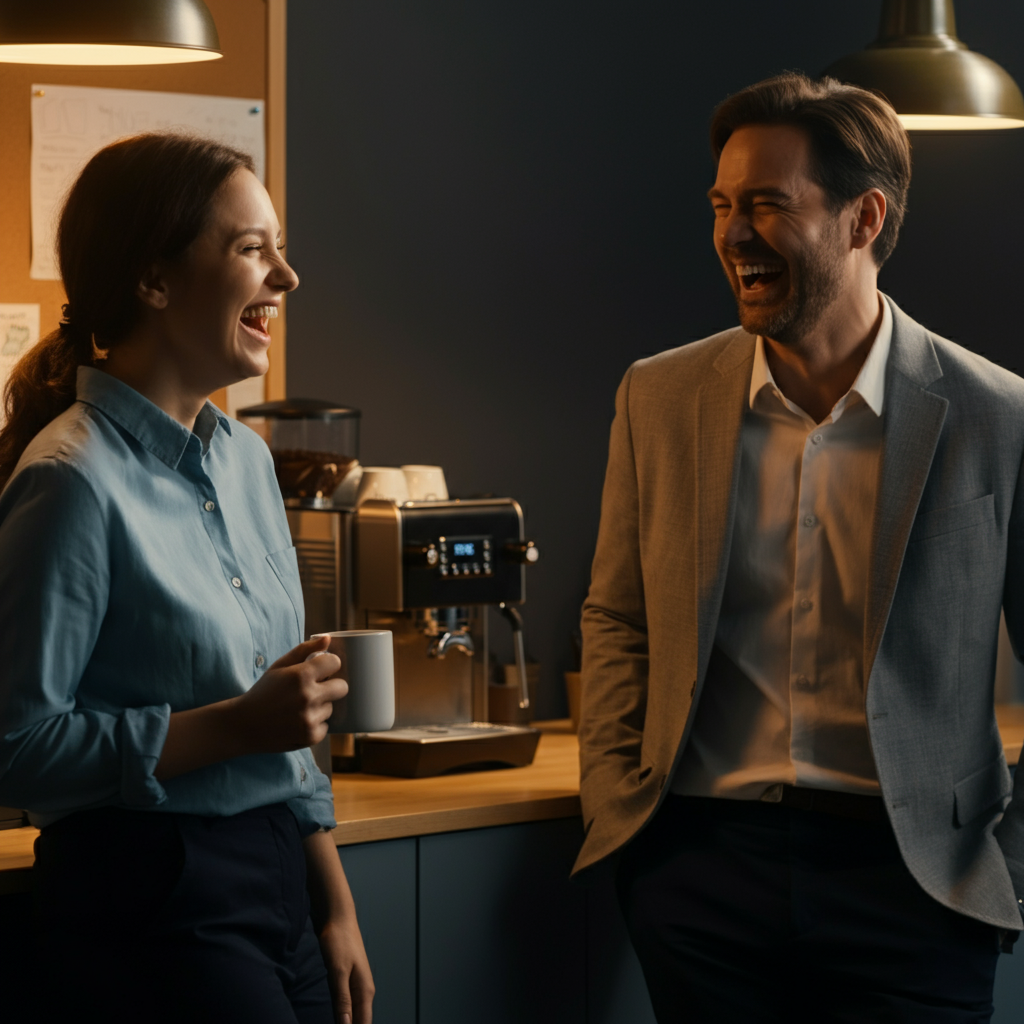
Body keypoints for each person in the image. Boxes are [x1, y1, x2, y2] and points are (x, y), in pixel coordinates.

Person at [576, 72, 1024, 1023]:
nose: (733, 235)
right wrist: (621, 811)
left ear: (865, 219)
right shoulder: (657, 397)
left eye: (769, 206)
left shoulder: (999, 417)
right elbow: (617, 615)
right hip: (699, 878)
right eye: (722, 205)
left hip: (917, 894)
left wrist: (1008, 874)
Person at [0, 133, 374, 1024]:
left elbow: (289, 720)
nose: (286, 278)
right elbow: (16, 751)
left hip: (282, 875)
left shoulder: (247, 460)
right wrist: (232, 727)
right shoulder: (69, 479)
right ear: (153, 281)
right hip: (150, 898)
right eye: (252, 249)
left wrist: (335, 902)